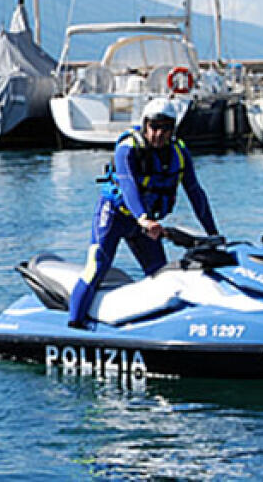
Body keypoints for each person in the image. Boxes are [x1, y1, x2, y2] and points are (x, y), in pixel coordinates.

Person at [67, 98, 219, 330]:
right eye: (154, 127)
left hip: (144, 223)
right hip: (116, 216)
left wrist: (213, 233)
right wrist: (143, 218)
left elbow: (195, 192)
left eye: (165, 128)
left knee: (161, 275)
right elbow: (128, 185)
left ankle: (157, 328)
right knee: (96, 267)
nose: (159, 134)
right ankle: (74, 325)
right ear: (145, 125)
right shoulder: (127, 149)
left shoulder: (179, 153)